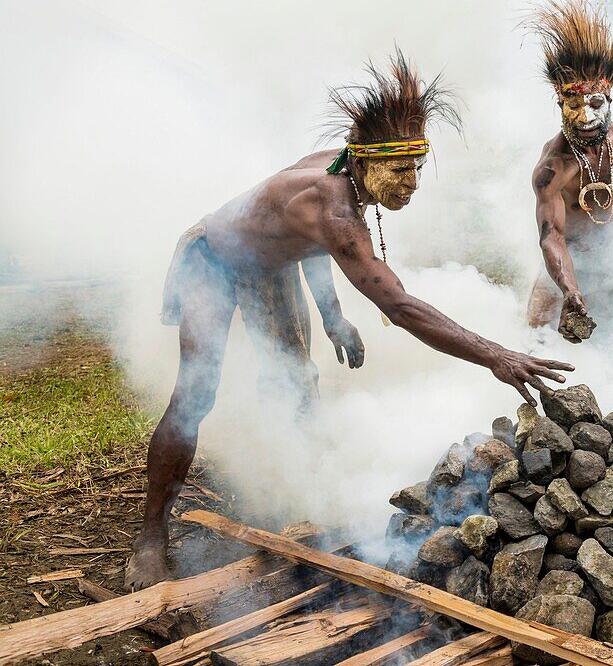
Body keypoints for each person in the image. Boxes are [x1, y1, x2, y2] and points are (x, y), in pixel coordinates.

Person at [125, 52, 573, 589]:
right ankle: (151, 535)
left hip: (270, 266)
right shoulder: (334, 209)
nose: (410, 184)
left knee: (297, 383)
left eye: (416, 168)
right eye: (398, 170)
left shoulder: (342, 169)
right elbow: (400, 307)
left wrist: (333, 316)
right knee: (195, 397)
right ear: (364, 160)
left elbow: (308, 245)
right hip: (213, 260)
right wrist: (495, 356)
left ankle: (291, 497)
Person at [524, 0, 613, 343]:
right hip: (568, 264)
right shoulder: (552, 168)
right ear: (559, 105)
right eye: (573, 104)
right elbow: (551, 237)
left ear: (609, 99)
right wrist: (570, 291)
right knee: (537, 345)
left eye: (595, 102)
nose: (585, 117)